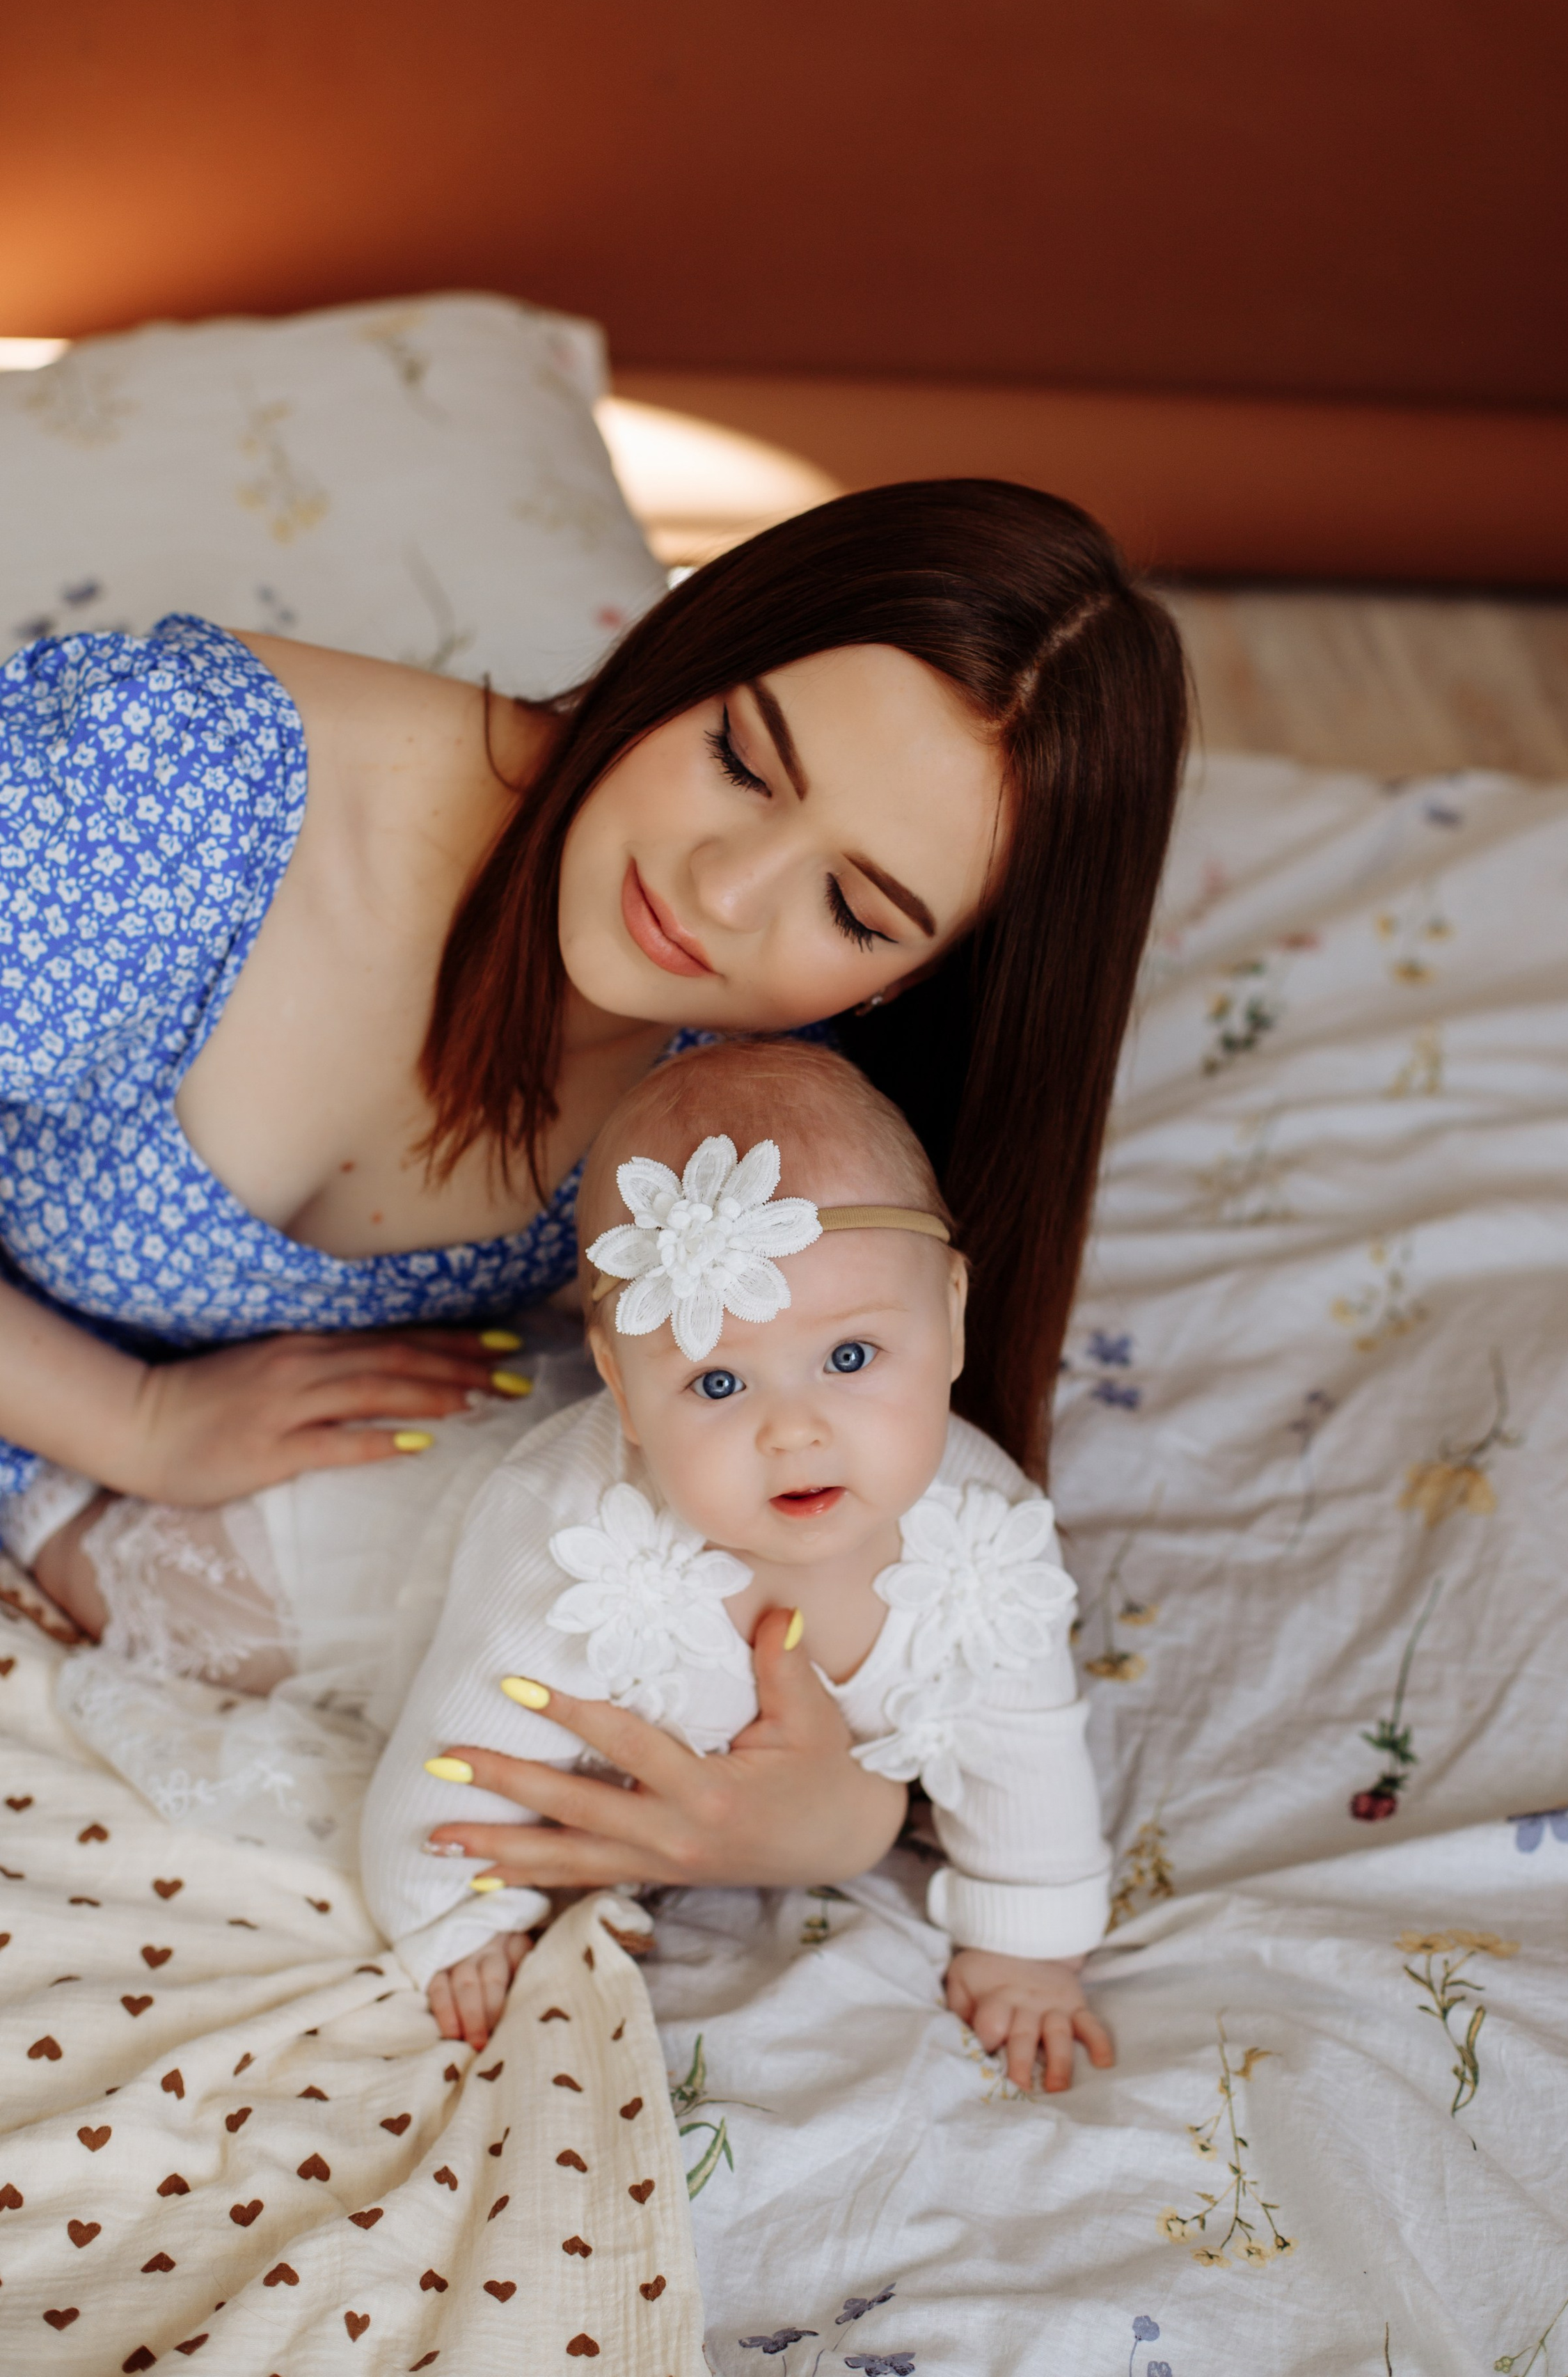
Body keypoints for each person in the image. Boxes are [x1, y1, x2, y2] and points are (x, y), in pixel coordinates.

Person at [1, 477, 1188, 1896]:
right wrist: (134, 1421)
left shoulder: (777, 1091)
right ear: (690, 643)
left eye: (856, 909)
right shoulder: (163, 785)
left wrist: (842, 1815)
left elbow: (834, 1499)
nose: (724, 893)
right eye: (741, 761)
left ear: (919, 978)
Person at [364, 1039, 1117, 2096]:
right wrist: (458, 1918)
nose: (793, 1432)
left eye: (850, 1359)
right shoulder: (573, 1537)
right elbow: (466, 1744)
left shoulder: (980, 1533)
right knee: (243, 1602)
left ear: (950, 1317)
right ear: (622, 1391)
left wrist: (1028, 1939)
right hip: (390, 1566)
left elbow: (1025, 1740)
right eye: (719, 1383)